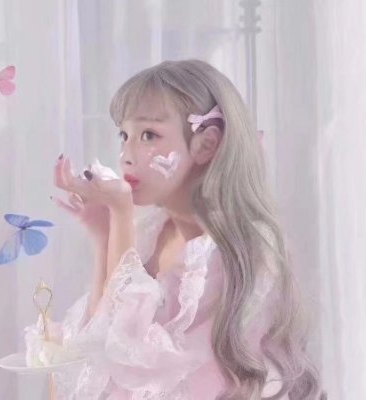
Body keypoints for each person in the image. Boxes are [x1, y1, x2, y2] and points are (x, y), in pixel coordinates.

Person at [26, 59, 326, 399]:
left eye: (148, 135)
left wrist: (121, 213)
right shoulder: (152, 230)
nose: (125, 155)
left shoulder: (236, 248)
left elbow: (131, 358)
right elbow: (98, 342)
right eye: (124, 135)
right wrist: (104, 234)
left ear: (206, 145)